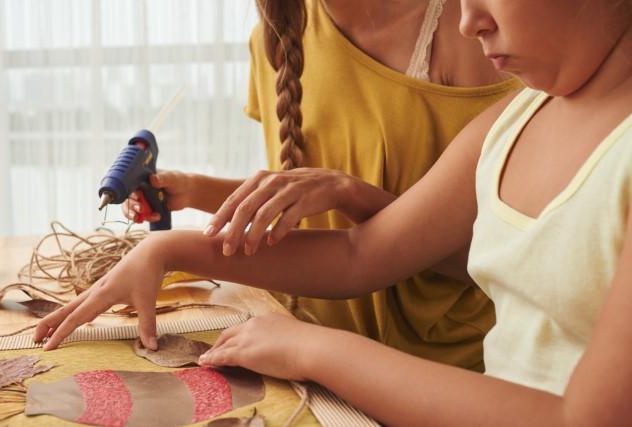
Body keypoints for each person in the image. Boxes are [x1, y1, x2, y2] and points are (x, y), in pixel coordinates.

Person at [37, 0, 632, 424]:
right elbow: (359, 254)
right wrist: (167, 249)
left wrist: (312, 349)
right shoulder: (517, 118)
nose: (468, 19)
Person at [125, 0, 521, 372]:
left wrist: (349, 192)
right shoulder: (279, 32)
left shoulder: (469, 31)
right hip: (303, 347)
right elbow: (299, 195)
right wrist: (193, 190)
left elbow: (494, 255)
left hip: (438, 368)